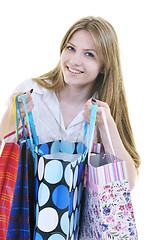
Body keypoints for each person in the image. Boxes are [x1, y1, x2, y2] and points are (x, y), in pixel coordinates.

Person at [0, 16, 140, 190]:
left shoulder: (103, 111)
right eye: (71, 48)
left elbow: (127, 185)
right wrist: (11, 117)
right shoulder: (31, 92)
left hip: (80, 216)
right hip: (24, 214)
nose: (74, 60)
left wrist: (106, 126)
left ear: (104, 66)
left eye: (89, 54)